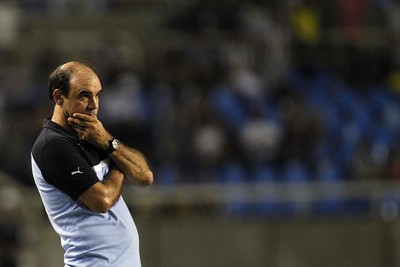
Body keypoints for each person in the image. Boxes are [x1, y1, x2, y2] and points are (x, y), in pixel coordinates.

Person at [31, 61, 153, 267]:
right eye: (84, 95)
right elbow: (102, 201)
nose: (94, 104)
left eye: (97, 95)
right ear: (59, 97)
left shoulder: (94, 133)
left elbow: (145, 176)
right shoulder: (52, 146)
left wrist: (107, 141)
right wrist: (117, 165)